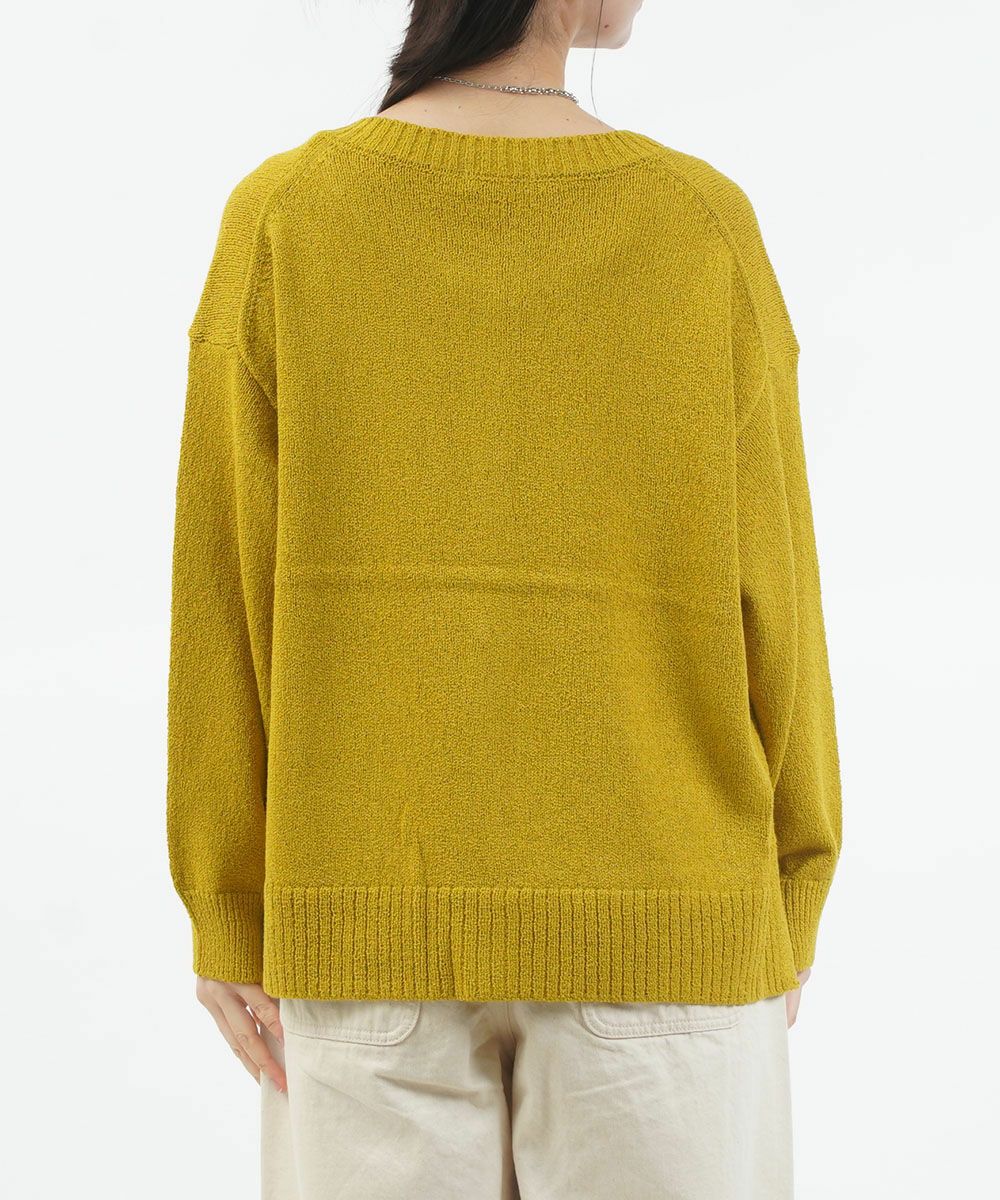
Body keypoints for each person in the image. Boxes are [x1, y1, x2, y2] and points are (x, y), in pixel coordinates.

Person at [165, 1, 842, 1196]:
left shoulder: (287, 214)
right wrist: (791, 882)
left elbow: (221, 589)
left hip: (362, 932)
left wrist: (227, 901)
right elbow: (777, 585)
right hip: (666, 928)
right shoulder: (697, 224)